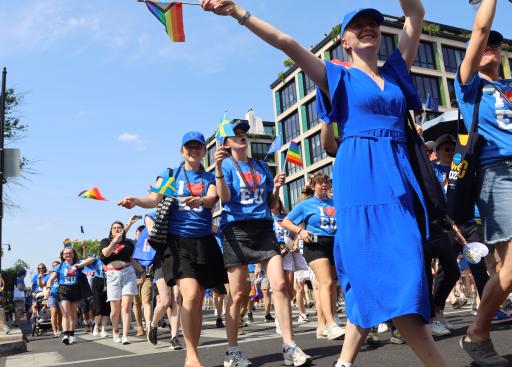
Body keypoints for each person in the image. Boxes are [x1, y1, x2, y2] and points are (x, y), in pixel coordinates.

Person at [200, 1, 448, 366]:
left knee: (399, 273)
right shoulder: (337, 75)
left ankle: (344, 362)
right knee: (400, 283)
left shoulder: (396, 71)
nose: (368, 28)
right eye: (357, 25)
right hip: (360, 183)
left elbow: (415, 15)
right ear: (345, 41)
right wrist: (238, 12)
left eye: (373, 24)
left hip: (398, 183)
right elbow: (286, 42)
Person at [118, 131, 228, 367]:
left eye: (198, 146)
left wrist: (199, 201)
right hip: (177, 243)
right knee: (188, 295)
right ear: (182, 150)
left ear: (204, 151)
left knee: (197, 300)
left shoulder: (208, 177)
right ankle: (191, 355)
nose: (194, 150)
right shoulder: (171, 174)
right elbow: (153, 199)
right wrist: (136, 201)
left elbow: (212, 199)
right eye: (189, 147)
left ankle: (193, 350)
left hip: (204, 242)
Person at [212, 118, 311, 367]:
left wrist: (277, 188)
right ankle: (233, 352)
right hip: (236, 231)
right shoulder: (225, 167)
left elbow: (272, 205)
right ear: (227, 143)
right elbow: (224, 198)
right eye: (236, 134)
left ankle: (289, 346)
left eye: (244, 132)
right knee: (238, 293)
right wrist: (217, 168)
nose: (242, 135)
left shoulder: (261, 166)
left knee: (280, 284)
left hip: (264, 229)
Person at [454, 1, 512, 365]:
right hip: (499, 174)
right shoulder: (469, 86)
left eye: (497, 42)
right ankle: (477, 333)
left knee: (508, 271)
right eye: (485, 42)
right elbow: (478, 32)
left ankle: (478, 335)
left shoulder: (509, 86)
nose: (489, 44)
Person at [282, 173, 344, 341]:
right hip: (315, 244)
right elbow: (286, 221)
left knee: (332, 285)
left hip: (335, 244)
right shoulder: (306, 204)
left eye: (326, 182)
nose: (324, 185)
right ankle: (331, 324)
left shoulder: (336, 202)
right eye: (320, 183)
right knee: (326, 282)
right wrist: (300, 231)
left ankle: (324, 325)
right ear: (312, 186)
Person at [99, 220, 140, 345]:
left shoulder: (128, 243)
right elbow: (105, 253)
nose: (116, 229)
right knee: (114, 311)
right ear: (111, 231)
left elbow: (132, 258)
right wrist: (114, 241)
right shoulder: (105, 241)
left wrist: (142, 272)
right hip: (112, 276)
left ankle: (125, 335)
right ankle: (115, 330)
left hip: (128, 273)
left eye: (119, 227)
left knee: (126, 306)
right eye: (114, 228)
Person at [45, 247, 94, 345]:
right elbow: (51, 279)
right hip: (63, 290)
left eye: (70, 253)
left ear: (73, 254)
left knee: (72, 315)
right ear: (62, 256)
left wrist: (80, 265)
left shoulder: (78, 263)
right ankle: (66, 335)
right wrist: (48, 287)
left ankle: (72, 335)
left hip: (75, 289)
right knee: (65, 313)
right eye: (66, 253)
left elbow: (91, 259)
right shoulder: (60, 266)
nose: (68, 255)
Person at [132, 219, 157, 337]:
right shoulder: (132, 244)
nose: (142, 234)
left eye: (144, 232)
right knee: (136, 304)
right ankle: (139, 327)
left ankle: (149, 327)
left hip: (148, 277)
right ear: (136, 233)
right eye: (140, 232)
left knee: (146, 302)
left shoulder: (151, 243)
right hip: (134, 278)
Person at [47, 260, 63, 337]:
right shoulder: (49, 275)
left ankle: (59, 328)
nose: (55, 267)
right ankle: (54, 331)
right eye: (53, 266)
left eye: (56, 265)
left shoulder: (62, 274)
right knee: (54, 313)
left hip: (61, 294)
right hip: (52, 295)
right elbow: (43, 284)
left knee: (60, 313)